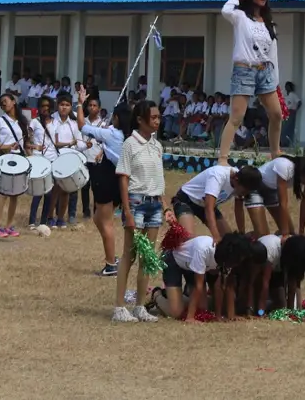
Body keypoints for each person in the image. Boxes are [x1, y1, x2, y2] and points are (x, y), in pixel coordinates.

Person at [218, 0, 282, 167]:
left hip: (265, 71)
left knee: (276, 114)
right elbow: (225, 10)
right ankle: (222, 158)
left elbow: (273, 54)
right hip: (244, 70)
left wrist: (275, 80)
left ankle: (275, 153)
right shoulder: (239, 17)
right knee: (237, 117)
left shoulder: (269, 23)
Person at [113, 100, 165, 323]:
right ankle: (119, 307)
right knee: (130, 254)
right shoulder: (129, 144)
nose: (157, 121)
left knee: (148, 256)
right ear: (140, 120)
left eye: (158, 117)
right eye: (153, 118)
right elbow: (123, 178)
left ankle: (140, 306)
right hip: (136, 202)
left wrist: (164, 205)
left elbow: (158, 177)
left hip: (155, 204)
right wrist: (127, 211)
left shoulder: (157, 145)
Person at [76, 87, 128, 277]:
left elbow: (81, 125)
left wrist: (80, 102)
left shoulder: (113, 133)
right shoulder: (129, 136)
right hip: (116, 181)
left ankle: (111, 264)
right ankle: (112, 259)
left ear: (117, 118)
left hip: (106, 180)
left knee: (105, 223)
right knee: (99, 218)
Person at [154, 232, 254, 322]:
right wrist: (190, 317)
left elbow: (221, 286)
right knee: (176, 313)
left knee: (202, 308)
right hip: (174, 260)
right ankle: (157, 294)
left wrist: (221, 316)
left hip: (192, 266)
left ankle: (175, 297)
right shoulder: (203, 249)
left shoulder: (227, 259)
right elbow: (199, 285)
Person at [239, 154, 305, 238]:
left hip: (271, 192)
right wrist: (284, 234)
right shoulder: (285, 166)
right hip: (255, 187)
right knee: (263, 235)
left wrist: (301, 231)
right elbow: (283, 203)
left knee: (291, 234)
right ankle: (244, 241)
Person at [172, 165, 263, 244]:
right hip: (187, 199)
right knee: (189, 239)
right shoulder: (218, 176)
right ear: (236, 180)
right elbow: (209, 208)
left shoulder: (242, 180)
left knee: (229, 241)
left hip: (203, 205)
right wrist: (216, 236)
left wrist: (241, 235)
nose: (244, 194)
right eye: (244, 191)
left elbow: (239, 210)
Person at [48, 92, 88, 228]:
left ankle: (61, 218)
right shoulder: (52, 120)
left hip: (70, 159)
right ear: (57, 106)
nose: (64, 107)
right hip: (55, 158)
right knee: (55, 189)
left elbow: (79, 143)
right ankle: (50, 216)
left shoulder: (74, 123)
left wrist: (86, 145)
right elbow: (52, 142)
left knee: (66, 190)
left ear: (71, 107)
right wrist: (69, 144)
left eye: (67, 105)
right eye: (61, 104)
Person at [0, 92, 27, 238]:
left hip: (19, 158)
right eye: (1, 102)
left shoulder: (22, 121)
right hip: (6, 158)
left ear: (14, 101)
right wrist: (5, 146)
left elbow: (26, 141)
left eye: (6, 101)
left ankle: (8, 225)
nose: (3, 104)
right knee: (3, 194)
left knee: (15, 194)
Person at [27, 96, 58, 228]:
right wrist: (34, 149)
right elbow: (27, 143)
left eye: (47, 106)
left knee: (49, 192)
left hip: (52, 159)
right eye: (42, 106)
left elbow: (56, 141)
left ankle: (44, 221)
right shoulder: (34, 122)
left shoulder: (55, 122)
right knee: (38, 191)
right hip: (39, 159)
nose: (45, 108)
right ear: (39, 108)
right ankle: (32, 221)